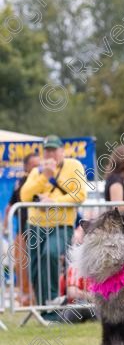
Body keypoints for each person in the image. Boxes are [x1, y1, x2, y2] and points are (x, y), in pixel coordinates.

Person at [20, 135, 87, 320]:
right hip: (34, 226)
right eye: (47, 150)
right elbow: (25, 196)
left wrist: (54, 201)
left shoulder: (74, 166)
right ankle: (44, 310)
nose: (50, 154)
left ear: (61, 151)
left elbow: (80, 195)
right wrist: (44, 177)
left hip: (61, 225)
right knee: (34, 267)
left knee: (49, 254)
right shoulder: (38, 171)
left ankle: (51, 304)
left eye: (53, 150)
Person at [4, 153, 40, 305]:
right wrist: (5, 225)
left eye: (38, 164)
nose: (36, 168)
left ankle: (38, 296)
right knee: (21, 264)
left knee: (38, 263)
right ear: (26, 167)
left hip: (41, 229)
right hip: (23, 230)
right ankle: (25, 296)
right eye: (33, 165)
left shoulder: (43, 181)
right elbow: (10, 206)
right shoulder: (22, 182)